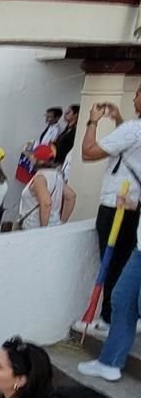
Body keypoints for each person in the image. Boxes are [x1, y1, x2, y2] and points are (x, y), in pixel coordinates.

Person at [74, 97, 141, 340]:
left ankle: (108, 319)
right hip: (133, 205)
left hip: (117, 206)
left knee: (112, 263)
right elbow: (131, 148)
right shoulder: (132, 129)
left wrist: (92, 121)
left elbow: (88, 153)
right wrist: (119, 120)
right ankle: (125, 316)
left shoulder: (133, 129)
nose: (134, 98)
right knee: (123, 261)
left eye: (138, 93)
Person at [18, 144, 76, 229]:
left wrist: (43, 230)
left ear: (37, 159)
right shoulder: (57, 176)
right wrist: (62, 221)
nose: (30, 158)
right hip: (55, 225)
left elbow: (46, 203)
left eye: (33, 155)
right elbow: (71, 196)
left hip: (33, 227)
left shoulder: (40, 178)